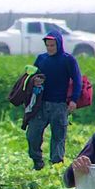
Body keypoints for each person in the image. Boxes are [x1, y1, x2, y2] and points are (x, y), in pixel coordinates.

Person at [27, 30, 82, 171]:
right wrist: (35, 81)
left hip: (60, 105)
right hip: (41, 104)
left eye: (52, 45)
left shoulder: (68, 60)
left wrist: (74, 100)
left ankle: (55, 166)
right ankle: (37, 161)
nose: (50, 48)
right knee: (32, 134)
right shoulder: (41, 59)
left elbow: (77, 80)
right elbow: (33, 76)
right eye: (48, 45)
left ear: (59, 44)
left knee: (58, 137)